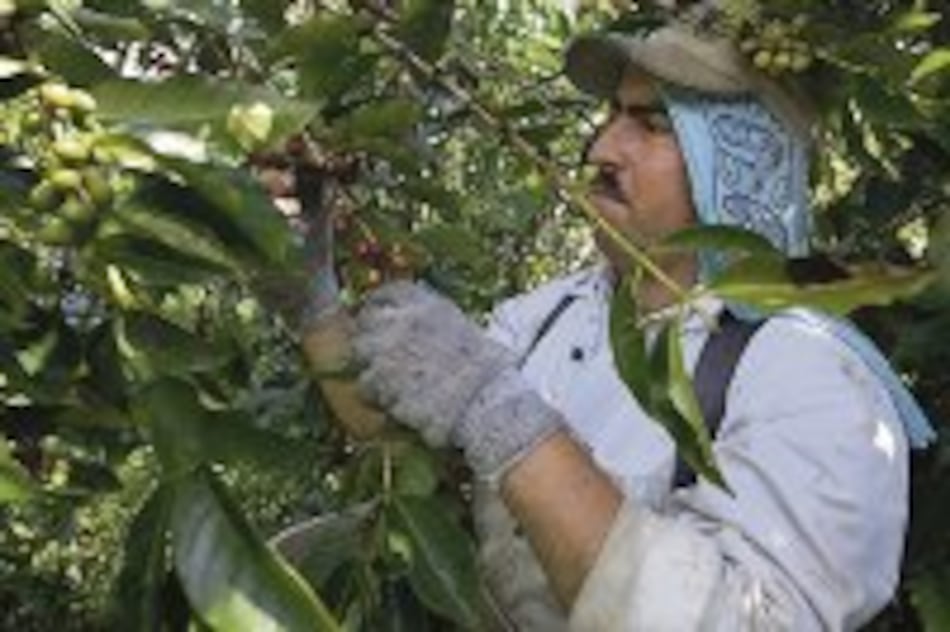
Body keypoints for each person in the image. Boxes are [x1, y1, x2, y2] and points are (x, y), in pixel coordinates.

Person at [301, 13, 935, 632]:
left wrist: (505, 420)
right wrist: (308, 290)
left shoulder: (808, 374)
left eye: (653, 125)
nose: (601, 149)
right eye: (612, 115)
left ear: (734, 162)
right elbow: (399, 434)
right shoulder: (553, 314)